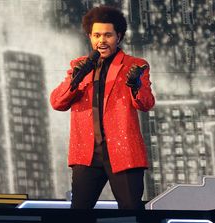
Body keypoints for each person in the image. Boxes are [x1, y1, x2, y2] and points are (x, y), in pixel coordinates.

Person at [50, 5, 155, 210]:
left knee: (131, 213)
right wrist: (76, 80)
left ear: (119, 36)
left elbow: (146, 103)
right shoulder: (80, 65)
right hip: (87, 154)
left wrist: (136, 85)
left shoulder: (135, 65)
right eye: (96, 35)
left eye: (107, 35)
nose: (101, 41)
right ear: (89, 36)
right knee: (78, 214)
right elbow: (57, 102)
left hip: (123, 151)